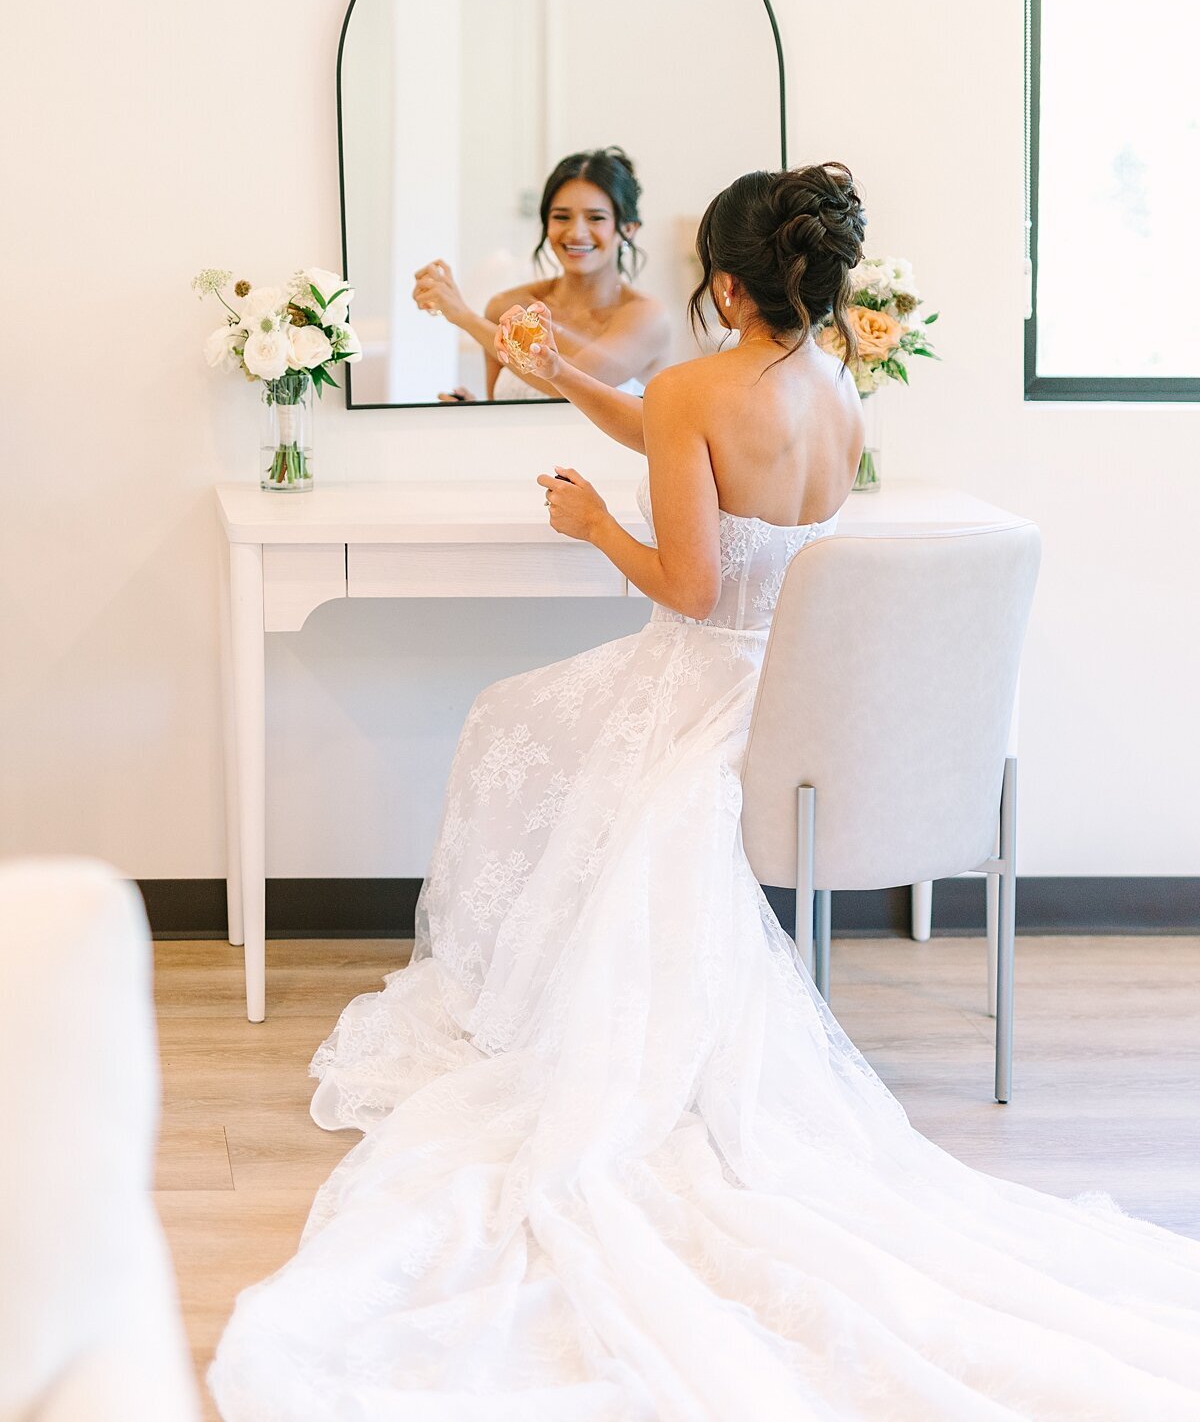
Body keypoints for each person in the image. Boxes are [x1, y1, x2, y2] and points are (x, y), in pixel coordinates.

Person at [211, 165, 1200, 1419]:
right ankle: (564, 979)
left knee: (508, 716)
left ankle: (538, 998)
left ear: (725, 284)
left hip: (708, 685)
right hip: (803, 701)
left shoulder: (695, 388)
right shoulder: (839, 384)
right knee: (540, 727)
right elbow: (676, 438)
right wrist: (569, 380)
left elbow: (687, 584)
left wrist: (590, 526)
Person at [412, 146, 670, 401]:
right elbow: (503, 414)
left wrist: (464, 316)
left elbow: (572, 385)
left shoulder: (646, 317)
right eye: (561, 217)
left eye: (595, 218)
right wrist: (472, 411)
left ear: (628, 229)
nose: (576, 233)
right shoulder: (507, 307)